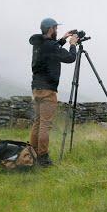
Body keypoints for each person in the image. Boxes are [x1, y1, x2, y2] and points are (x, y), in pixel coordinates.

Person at [28, 18, 78, 167]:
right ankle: (43, 159)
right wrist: (73, 45)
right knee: (45, 124)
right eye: (56, 28)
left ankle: (32, 154)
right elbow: (70, 58)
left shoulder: (39, 44)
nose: (57, 31)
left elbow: (52, 49)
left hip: (37, 89)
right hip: (48, 91)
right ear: (50, 29)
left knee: (37, 122)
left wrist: (63, 39)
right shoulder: (50, 46)